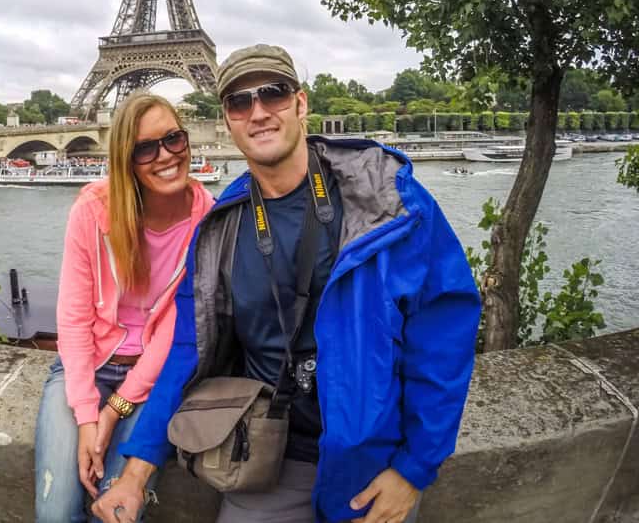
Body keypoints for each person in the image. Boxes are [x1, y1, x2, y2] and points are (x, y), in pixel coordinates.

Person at [93, 45, 481, 523]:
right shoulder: (219, 231)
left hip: (370, 463)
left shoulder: (389, 203)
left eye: (272, 94)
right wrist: (135, 472)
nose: (257, 112)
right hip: (269, 453)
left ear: (300, 104)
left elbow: (443, 336)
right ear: (228, 121)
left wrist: (415, 467)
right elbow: (187, 350)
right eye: (239, 102)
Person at [35, 93, 216, 523]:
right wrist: (85, 417)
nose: (166, 155)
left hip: (153, 379)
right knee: (55, 512)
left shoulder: (209, 219)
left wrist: (113, 411)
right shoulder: (93, 211)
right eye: (145, 148)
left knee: (114, 511)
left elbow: (177, 331)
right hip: (87, 366)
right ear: (125, 159)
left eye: (174, 139)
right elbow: (75, 321)